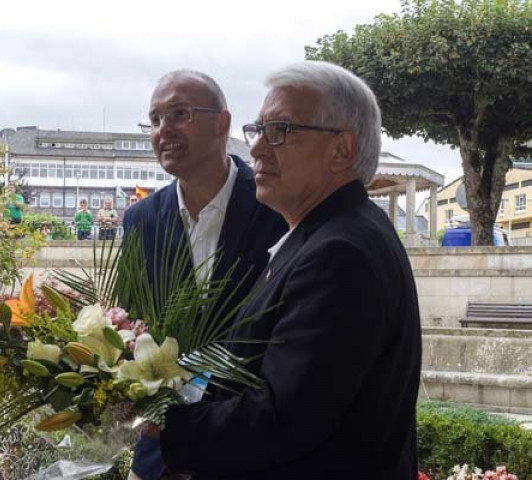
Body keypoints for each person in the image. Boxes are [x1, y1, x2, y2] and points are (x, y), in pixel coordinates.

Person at [155, 62, 421, 479]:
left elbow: (283, 417)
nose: (257, 148)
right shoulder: (329, 233)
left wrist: (165, 428)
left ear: (341, 150)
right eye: (257, 130)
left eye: (280, 131)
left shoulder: (339, 253)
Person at [122, 70, 287, 480]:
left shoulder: (278, 207)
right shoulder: (140, 220)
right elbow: (130, 323)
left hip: (250, 451)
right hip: (158, 455)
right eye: (155, 119)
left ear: (222, 123)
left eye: (179, 113)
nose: (164, 130)